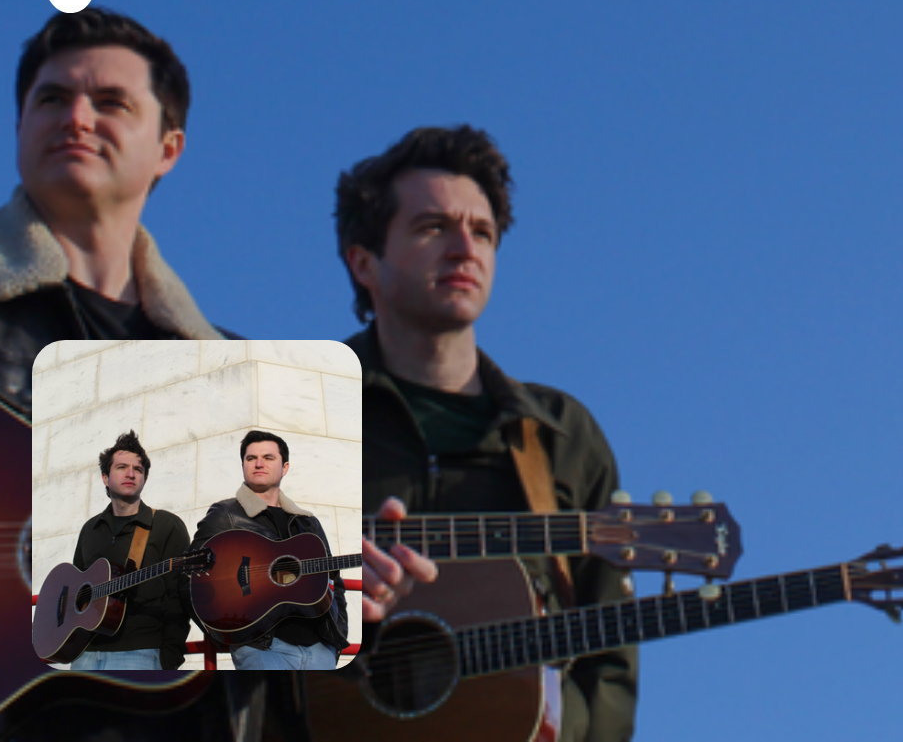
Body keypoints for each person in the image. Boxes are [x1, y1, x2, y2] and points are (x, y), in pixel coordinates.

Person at [337, 125, 637, 742]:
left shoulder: (561, 437)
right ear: (364, 262)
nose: (463, 250)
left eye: (482, 232)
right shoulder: (294, 414)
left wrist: (565, 729)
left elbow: (609, 658)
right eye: (432, 227)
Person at [0, 8, 224, 415]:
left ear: (167, 150)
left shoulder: (230, 378)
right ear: (20, 129)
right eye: (52, 99)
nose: (76, 120)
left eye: (112, 103)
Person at [189, 430, 349, 669]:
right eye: (251, 458)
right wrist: (225, 632)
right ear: (243, 465)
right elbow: (189, 576)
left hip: (319, 650)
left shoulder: (308, 523)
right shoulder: (225, 515)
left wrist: (336, 639)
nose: (259, 464)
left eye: (268, 457)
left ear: (285, 467)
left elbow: (334, 581)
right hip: (262, 649)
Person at [68, 430, 193, 670]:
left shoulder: (166, 525)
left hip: (140, 653)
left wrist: (170, 657)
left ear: (144, 479)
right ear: (105, 478)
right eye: (122, 467)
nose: (131, 474)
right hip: (85, 654)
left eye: (138, 469)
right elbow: (75, 586)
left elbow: (179, 595)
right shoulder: (90, 528)